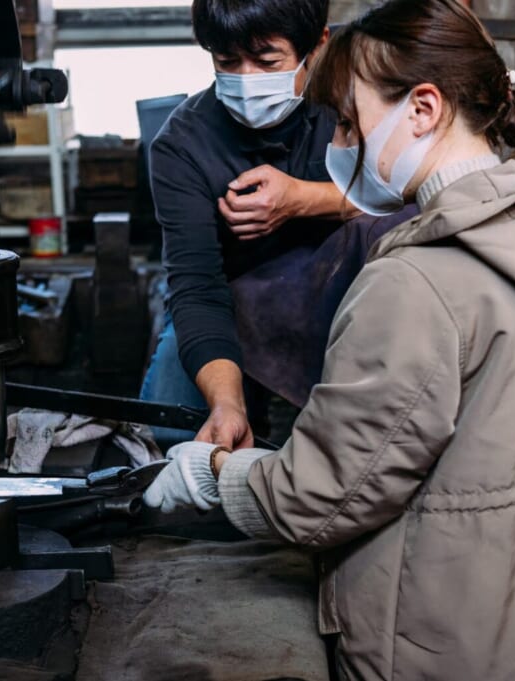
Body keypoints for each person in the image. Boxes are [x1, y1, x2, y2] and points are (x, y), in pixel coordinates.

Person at [143, 1, 515, 679]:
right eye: (227, 61)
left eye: (348, 124)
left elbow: (315, 495)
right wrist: (229, 406)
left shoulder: (409, 283)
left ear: (425, 109)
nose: (340, 142)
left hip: (441, 646)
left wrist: (211, 474)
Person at [141, 0, 415, 450]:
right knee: (176, 429)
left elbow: (417, 194)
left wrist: (304, 199)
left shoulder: (354, 102)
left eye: (267, 61)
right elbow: (196, 287)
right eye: (227, 62)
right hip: (234, 300)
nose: (247, 79)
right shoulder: (182, 145)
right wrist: (226, 404)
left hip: (348, 288)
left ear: (317, 44)